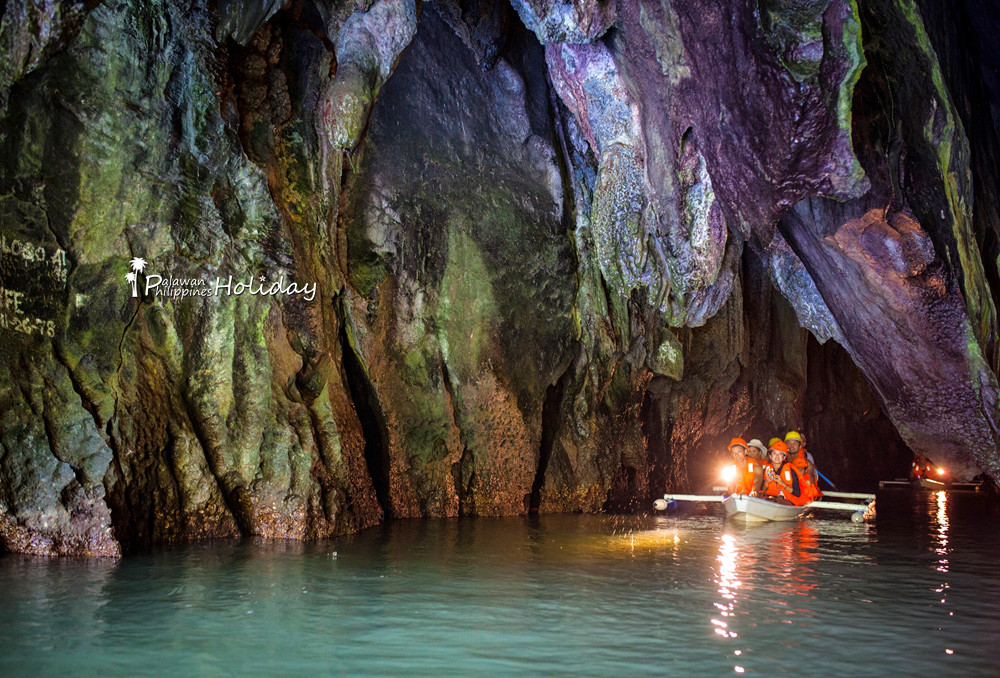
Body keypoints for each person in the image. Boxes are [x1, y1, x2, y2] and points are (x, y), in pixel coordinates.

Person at [763, 440, 810, 506]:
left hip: (789, 501)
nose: (777, 456)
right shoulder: (767, 469)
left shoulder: (790, 470)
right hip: (772, 498)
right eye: (774, 453)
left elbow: (797, 493)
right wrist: (766, 483)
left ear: (784, 457)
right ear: (770, 456)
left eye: (780, 454)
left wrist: (782, 483)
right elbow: (763, 490)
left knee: (773, 501)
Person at [785, 431, 821, 501]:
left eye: (795, 443)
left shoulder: (807, 457)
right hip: (788, 487)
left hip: (804, 489)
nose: (791, 446)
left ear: (800, 446)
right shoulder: (781, 457)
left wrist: (810, 472)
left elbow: (814, 476)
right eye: (789, 443)